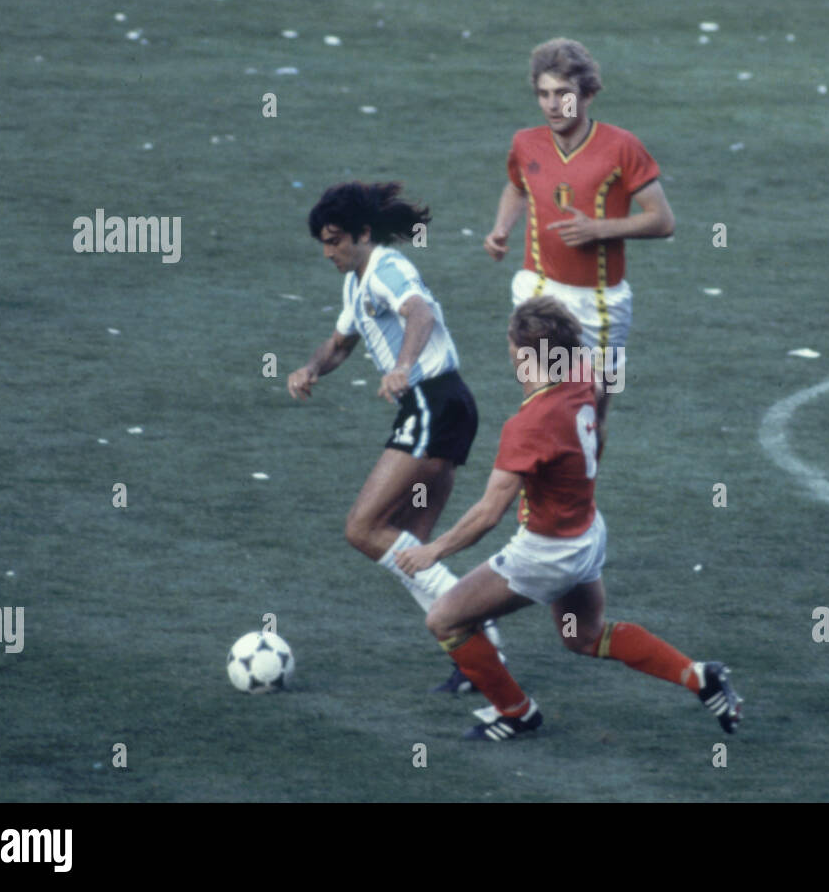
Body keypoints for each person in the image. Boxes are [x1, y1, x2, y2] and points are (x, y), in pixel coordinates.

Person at [395, 297, 743, 741]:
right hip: (587, 534)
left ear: (522, 354)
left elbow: (487, 514)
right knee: (585, 635)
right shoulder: (582, 377)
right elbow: (602, 404)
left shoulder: (529, 426)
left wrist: (432, 551)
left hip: (546, 552)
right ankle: (700, 676)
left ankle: (516, 712)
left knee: (444, 619)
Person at [287, 180, 501, 691]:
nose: (327, 251)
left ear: (363, 233)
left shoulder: (388, 267)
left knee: (363, 528)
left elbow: (420, 313)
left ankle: (480, 629)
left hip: (432, 400)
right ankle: (475, 659)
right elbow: (341, 343)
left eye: (335, 239)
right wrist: (312, 368)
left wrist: (402, 366)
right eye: (323, 241)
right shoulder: (356, 283)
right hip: (439, 405)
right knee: (411, 549)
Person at [483, 38, 675, 453]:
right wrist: (501, 229)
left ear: (587, 95)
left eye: (564, 95)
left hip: (600, 303)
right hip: (536, 289)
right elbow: (517, 187)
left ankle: (580, 500)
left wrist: (599, 230)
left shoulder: (622, 147)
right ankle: (540, 504)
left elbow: (663, 221)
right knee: (540, 405)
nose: (553, 105)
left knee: (590, 411)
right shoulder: (525, 143)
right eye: (544, 94)